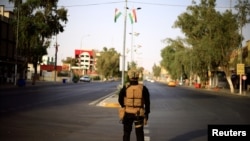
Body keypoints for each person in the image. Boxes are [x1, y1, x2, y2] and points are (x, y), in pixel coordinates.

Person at [118, 68, 150, 141]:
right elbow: (147, 102)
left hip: (128, 113)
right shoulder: (143, 88)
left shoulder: (125, 88)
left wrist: (124, 106)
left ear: (129, 77)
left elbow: (120, 99)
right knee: (139, 134)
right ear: (138, 77)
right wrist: (147, 113)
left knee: (126, 133)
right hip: (139, 114)